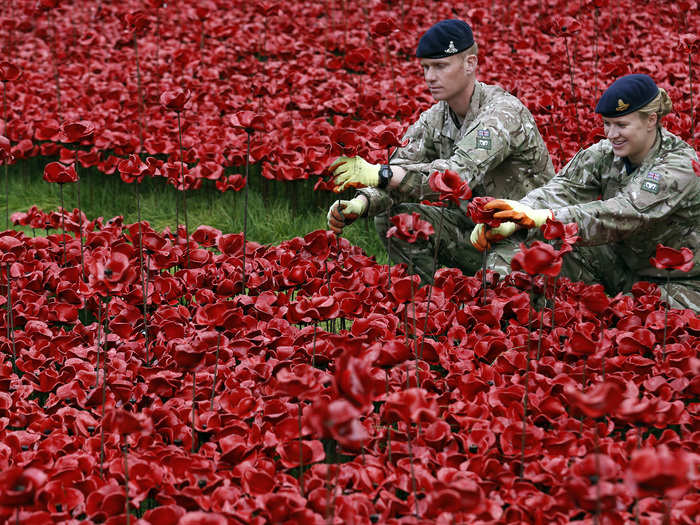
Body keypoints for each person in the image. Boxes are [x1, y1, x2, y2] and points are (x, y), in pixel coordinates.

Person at [326, 19, 555, 283]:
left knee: (497, 295)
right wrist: (362, 202)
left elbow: (457, 175)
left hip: (527, 237)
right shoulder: (435, 118)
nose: (430, 77)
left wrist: (383, 173)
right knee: (394, 220)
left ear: (470, 64)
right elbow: (400, 166)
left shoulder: (501, 114)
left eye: (440, 66)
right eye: (425, 67)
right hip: (473, 230)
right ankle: (435, 306)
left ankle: (484, 296)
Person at [470, 73, 700, 312]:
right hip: (621, 264)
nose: (611, 134)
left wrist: (545, 218)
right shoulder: (606, 153)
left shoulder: (678, 165)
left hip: (679, 283)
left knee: (637, 322)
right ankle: (508, 317)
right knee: (522, 243)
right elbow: (563, 188)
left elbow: (623, 213)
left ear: (651, 120)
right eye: (607, 123)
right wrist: (516, 213)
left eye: (622, 125)